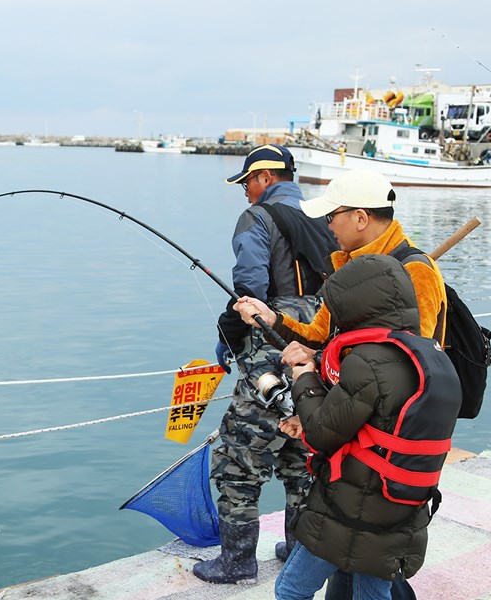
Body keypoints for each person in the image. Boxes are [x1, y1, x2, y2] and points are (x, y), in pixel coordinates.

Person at [271, 254, 462, 600]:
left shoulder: (367, 361)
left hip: (349, 510)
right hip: (403, 506)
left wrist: (304, 377)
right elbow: (382, 426)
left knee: (290, 590)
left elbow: (320, 432)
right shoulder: (432, 356)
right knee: (370, 595)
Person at [195, 144, 338, 584]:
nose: (245, 193)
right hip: (320, 342)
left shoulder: (257, 218)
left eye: (247, 183)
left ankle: (237, 562)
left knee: (239, 456)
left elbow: (250, 287)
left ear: (265, 178)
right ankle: (299, 551)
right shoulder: (327, 216)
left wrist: (229, 335)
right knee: (304, 448)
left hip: (272, 344)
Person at [234, 169, 447, 366]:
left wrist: (317, 358)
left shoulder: (416, 271)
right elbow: (318, 334)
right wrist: (272, 319)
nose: (328, 226)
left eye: (330, 216)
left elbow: (409, 362)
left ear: (360, 218)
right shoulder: (349, 266)